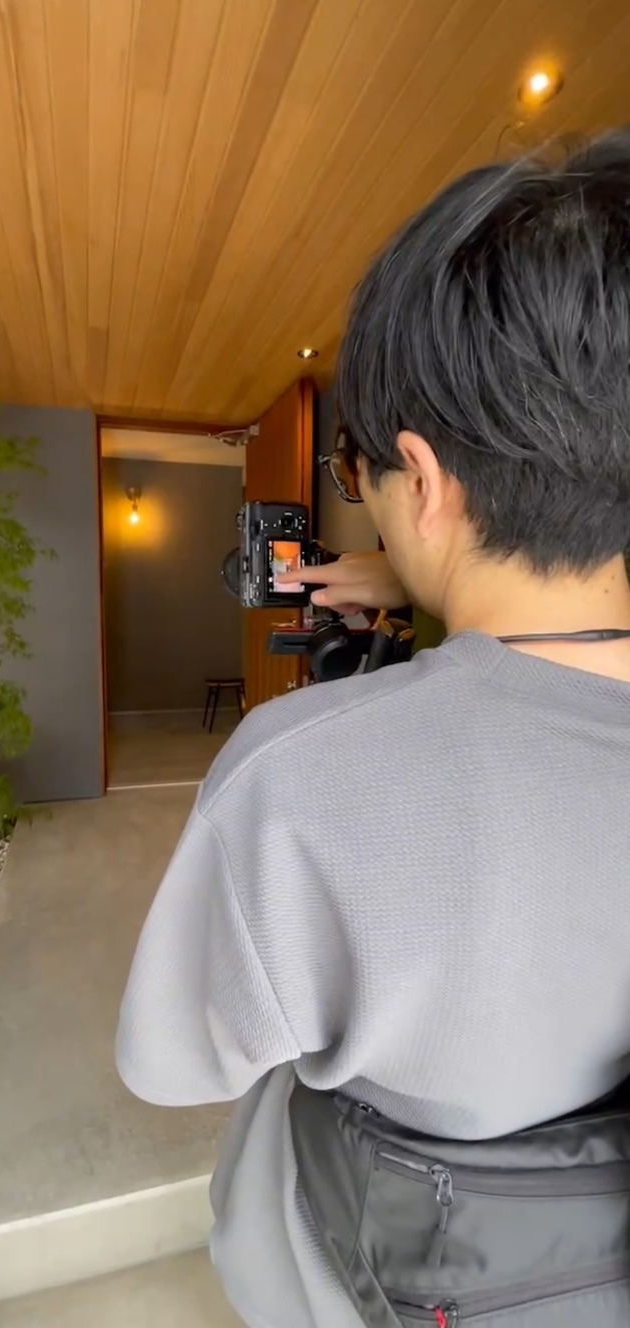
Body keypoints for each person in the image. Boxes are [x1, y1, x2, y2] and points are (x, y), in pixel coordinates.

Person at [116, 129, 630, 1328]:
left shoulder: (299, 773)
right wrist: (432, 587)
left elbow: (171, 1060)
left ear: (421, 476)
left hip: (382, 1275)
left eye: (364, 480)